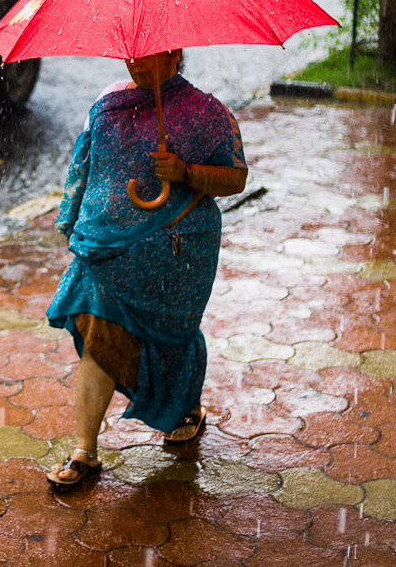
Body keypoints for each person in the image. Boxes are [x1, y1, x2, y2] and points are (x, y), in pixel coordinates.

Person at [45, 49, 247, 489]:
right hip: (105, 254)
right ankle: (85, 449)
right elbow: (83, 170)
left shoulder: (206, 113)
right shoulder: (107, 104)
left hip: (178, 256)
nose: (135, 64)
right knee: (99, 331)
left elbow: (235, 178)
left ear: (175, 53)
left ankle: (184, 406)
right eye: (130, 55)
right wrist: (74, 225)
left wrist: (185, 171)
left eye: (148, 55)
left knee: (171, 338)